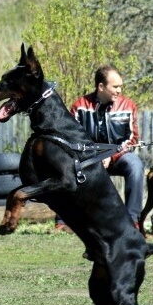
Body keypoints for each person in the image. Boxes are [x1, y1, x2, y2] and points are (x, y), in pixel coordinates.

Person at [54, 64, 145, 233]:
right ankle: (63, 221)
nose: (119, 91)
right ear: (101, 86)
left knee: (136, 165)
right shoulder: (80, 106)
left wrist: (111, 155)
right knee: (65, 166)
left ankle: (133, 222)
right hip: (88, 158)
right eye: (115, 87)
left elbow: (132, 139)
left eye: (120, 87)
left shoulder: (128, 106)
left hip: (118, 156)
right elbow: (72, 138)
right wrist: (94, 156)